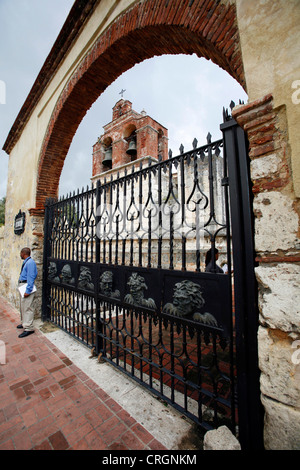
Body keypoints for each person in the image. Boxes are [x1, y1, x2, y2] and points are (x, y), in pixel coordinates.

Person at [17, 247, 37, 338]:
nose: (20, 255)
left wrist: (28, 290)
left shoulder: (30, 263)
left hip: (26, 286)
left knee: (28, 307)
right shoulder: (26, 262)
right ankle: (24, 323)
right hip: (23, 285)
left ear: (23, 253)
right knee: (23, 306)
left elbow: (31, 277)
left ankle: (29, 328)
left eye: (21, 253)